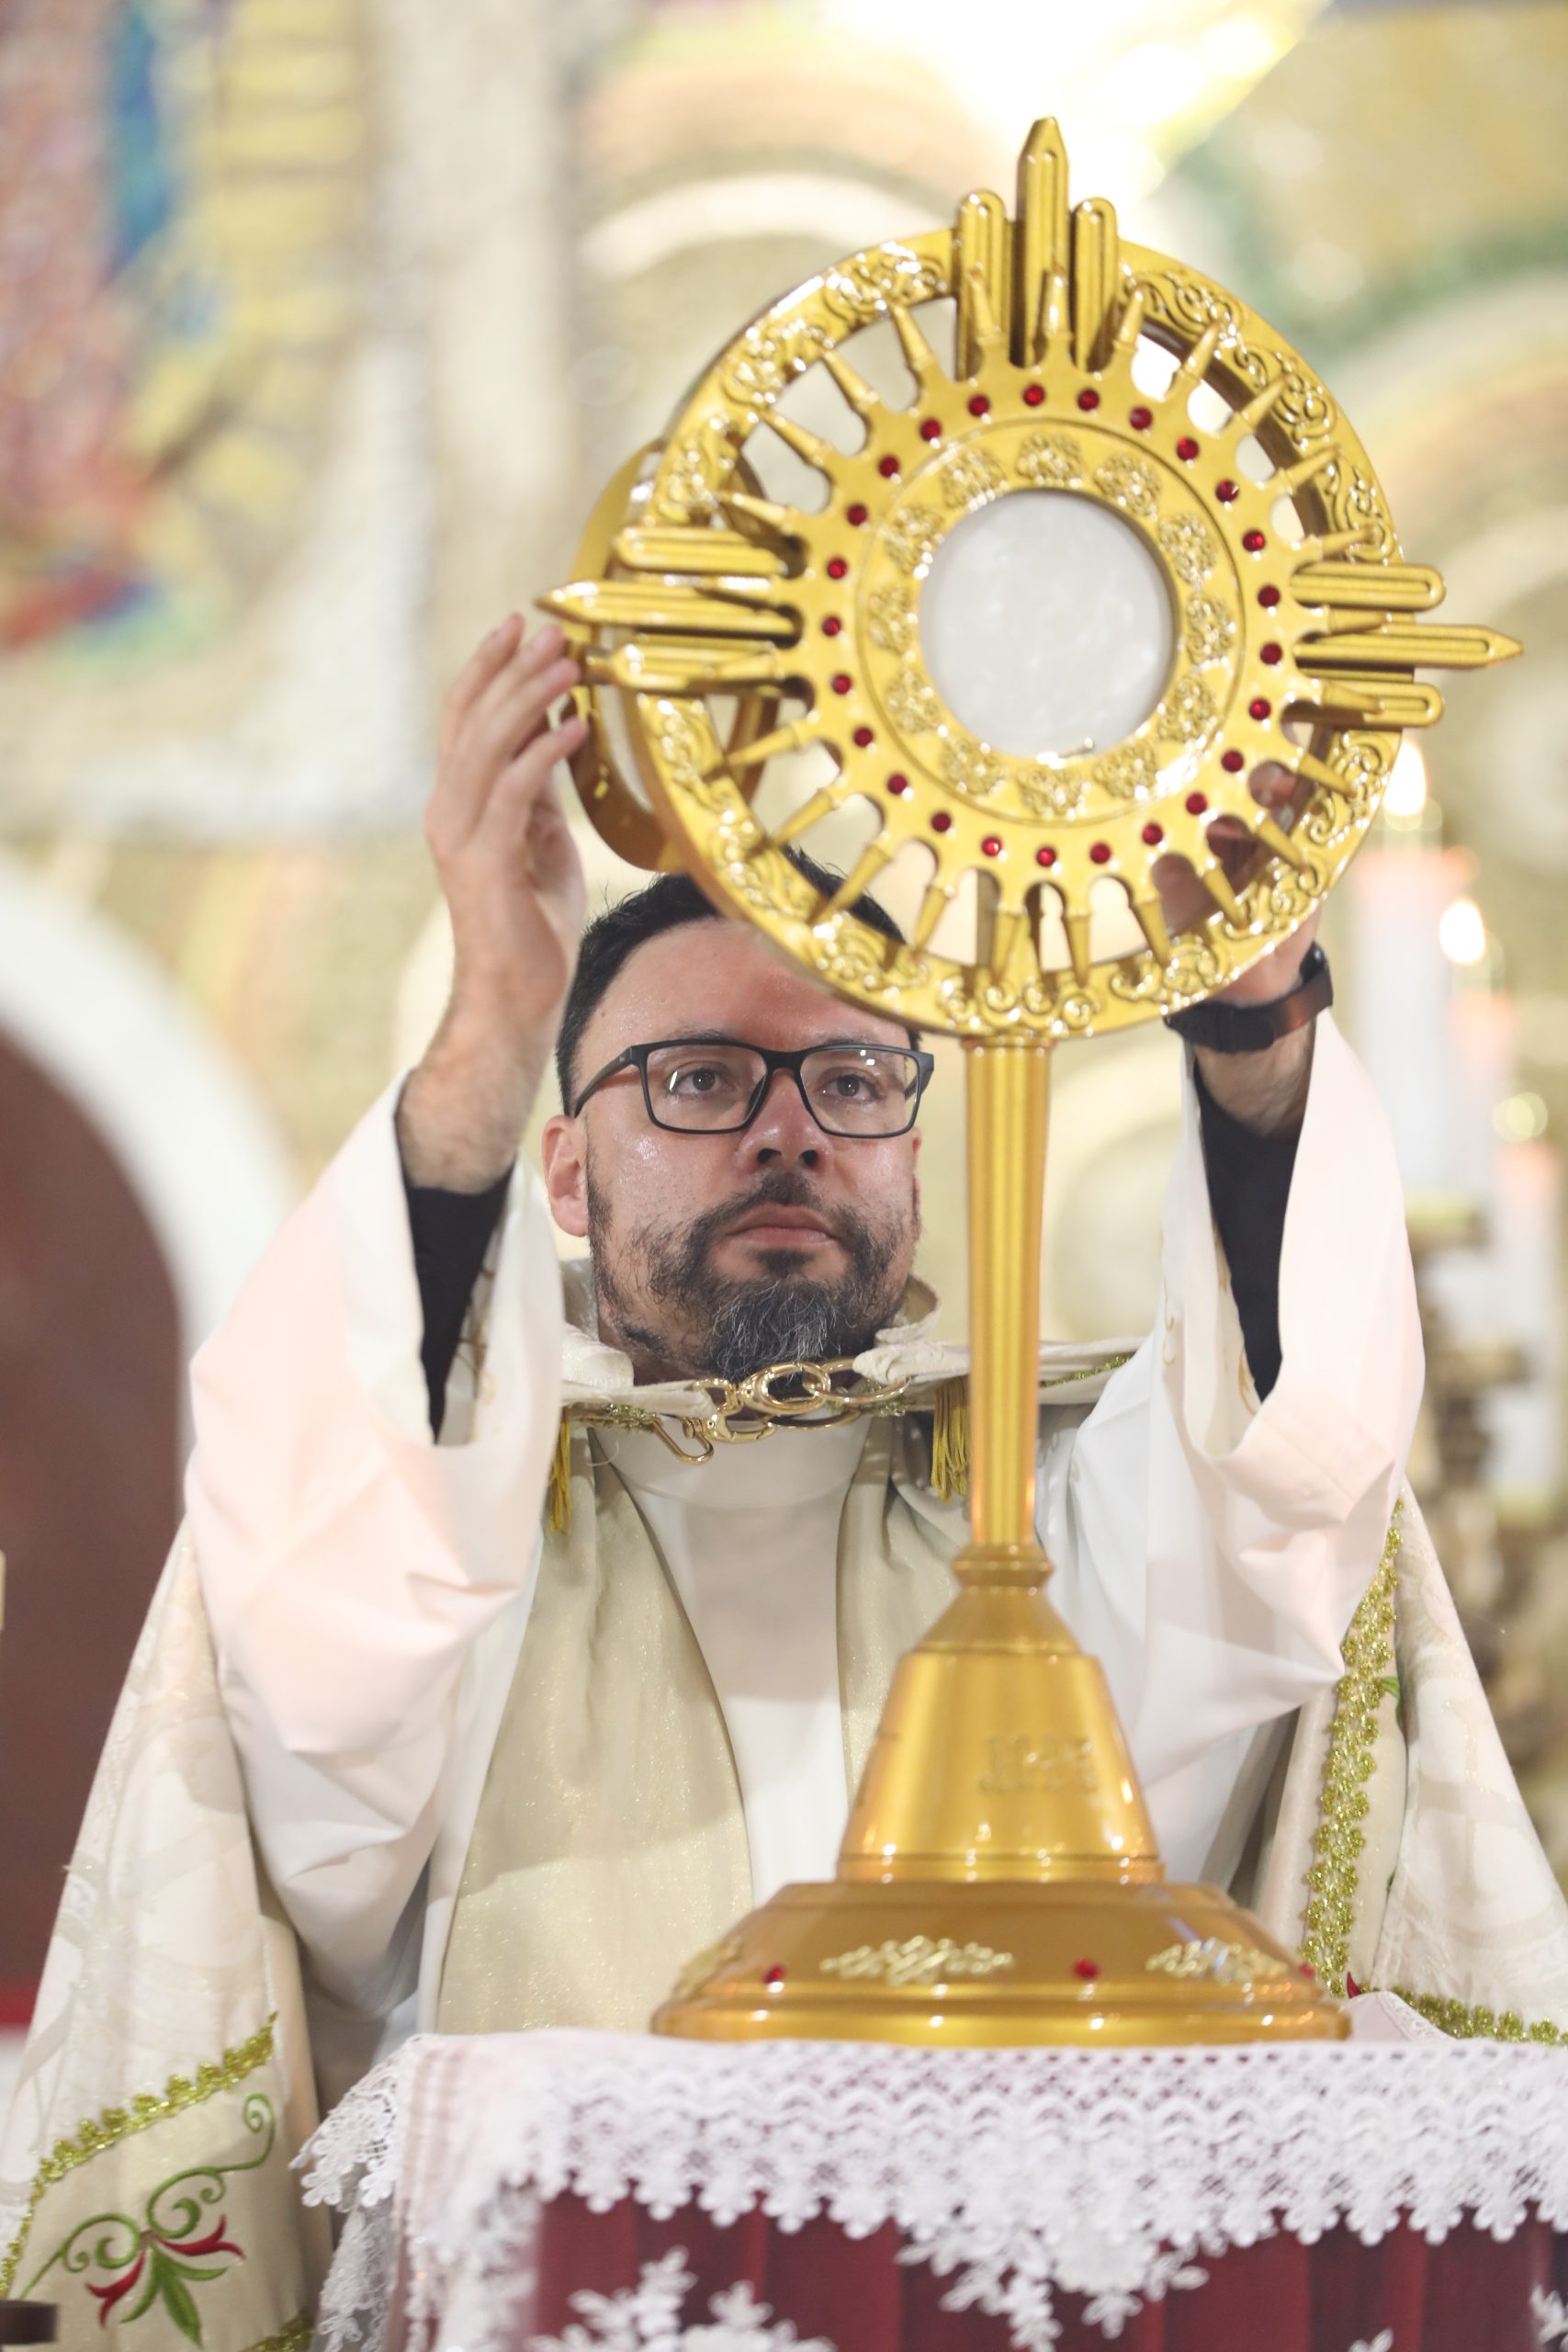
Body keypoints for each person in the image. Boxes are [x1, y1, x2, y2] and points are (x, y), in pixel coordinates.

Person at [5, 616, 1566, 2341]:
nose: (789, 1129)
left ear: (919, 1146)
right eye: (697, 1079)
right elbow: (316, 1628)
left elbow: (1285, 1482)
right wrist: (494, 1017)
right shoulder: (453, 1529)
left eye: (853, 1078)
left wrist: (1253, 1012)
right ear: (564, 1173)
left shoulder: (1040, 1513)